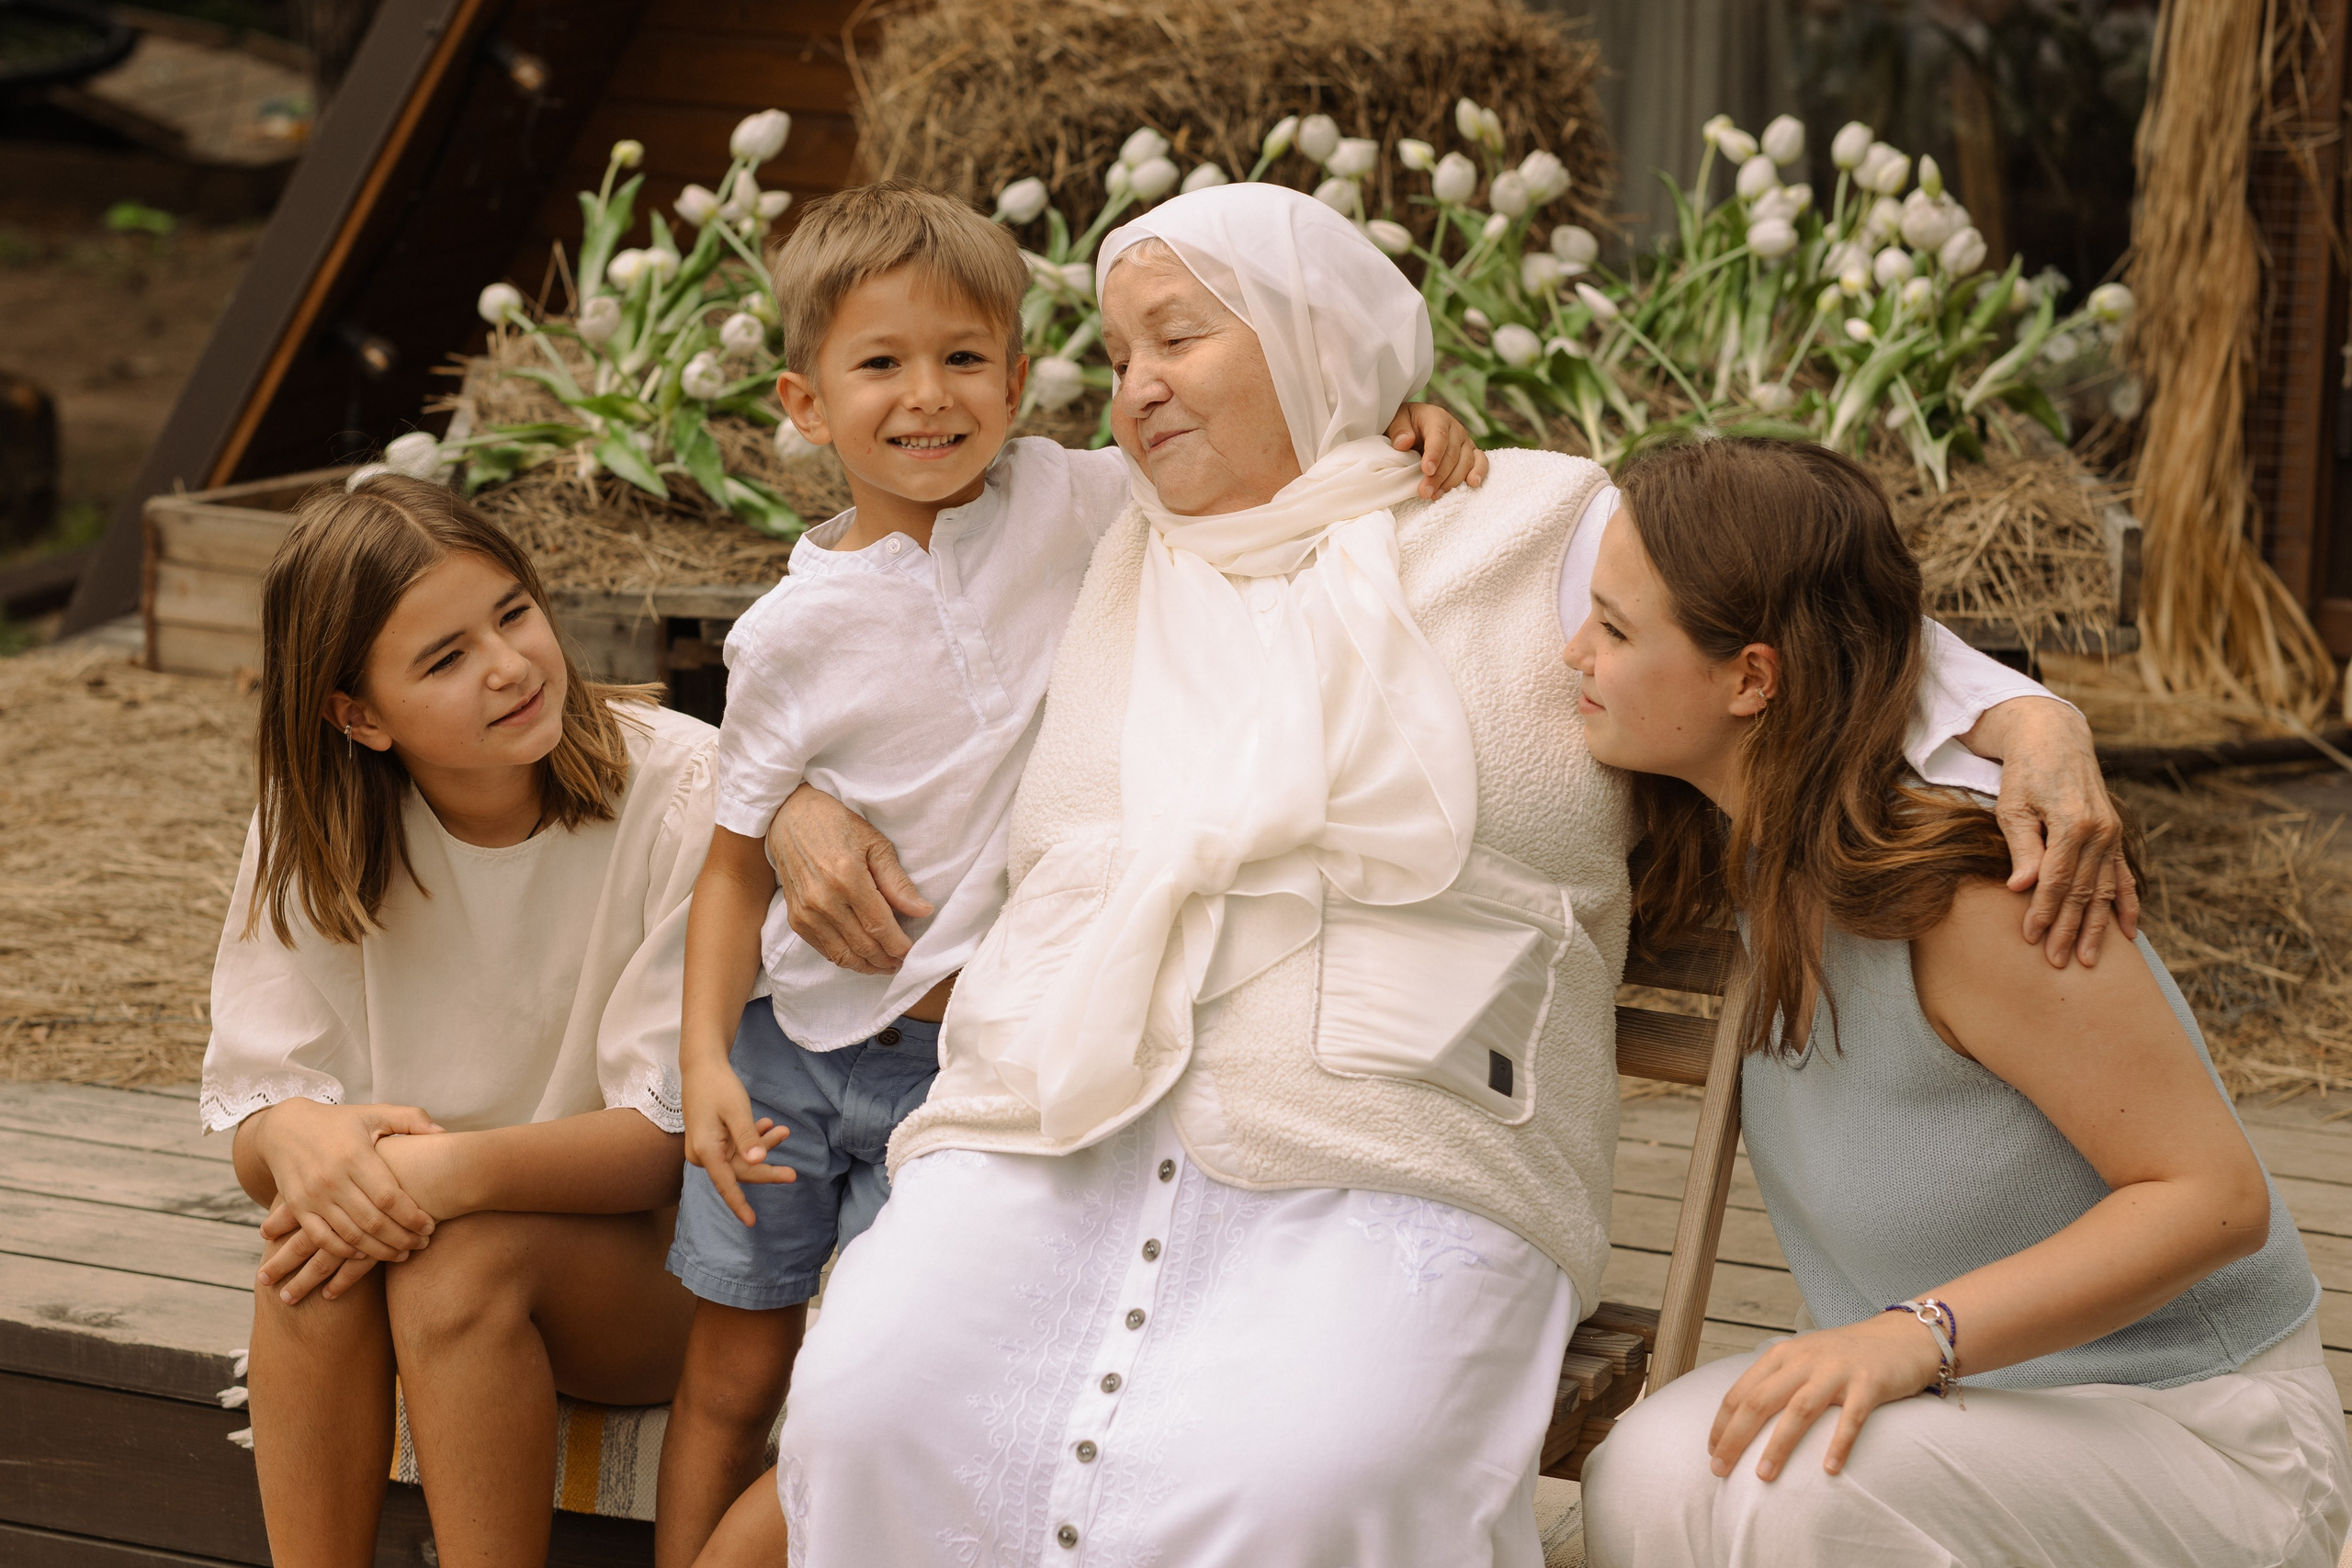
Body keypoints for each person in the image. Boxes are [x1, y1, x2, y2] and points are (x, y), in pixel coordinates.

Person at [700, 183, 2126, 1566]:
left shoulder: (1540, 521)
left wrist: (2033, 721)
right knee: (869, 1402)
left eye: (1180, 335)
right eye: (1120, 351)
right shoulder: (1093, 533)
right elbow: (848, 629)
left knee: (1321, 1472)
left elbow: (1814, 615)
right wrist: (787, 808)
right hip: (1060, 1104)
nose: (1134, 385)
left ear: (1314, 327)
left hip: (1403, 1126)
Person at [660, 181, 1487, 1563]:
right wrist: (702, 1060)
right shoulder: (788, 631)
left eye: (964, 359)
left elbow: (1268, 460)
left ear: (1020, 378)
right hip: (795, 1050)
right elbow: (734, 862)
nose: (929, 398)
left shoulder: (1077, 495)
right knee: (733, 1368)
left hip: (955, 1066)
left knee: (863, 1371)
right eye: (881, 366)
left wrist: (1411, 424)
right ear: (805, 406)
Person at [1570, 438, 2351, 1568]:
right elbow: (1843, 620)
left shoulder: (1975, 889)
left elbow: (2214, 1199)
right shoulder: (1749, 844)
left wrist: (1912, 1336)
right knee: (1643, 1476)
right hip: (1961, 1412)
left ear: (1749, 679)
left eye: (1613, 631)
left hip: (2191, 1426)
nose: (1571, 650)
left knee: (1799, 1499)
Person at [201, 478, 711, 1567]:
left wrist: (428, 1180)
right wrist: (297, 1138)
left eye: (513, 612)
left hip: (654, 1274)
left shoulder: (680, 793)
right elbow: (259, 1104)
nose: (509, 664)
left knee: (446, 1261)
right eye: (443, 659)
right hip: (412, 1236)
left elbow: (664, 1143)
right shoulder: (312, 830)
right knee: (310, 1256)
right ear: (358, 715)